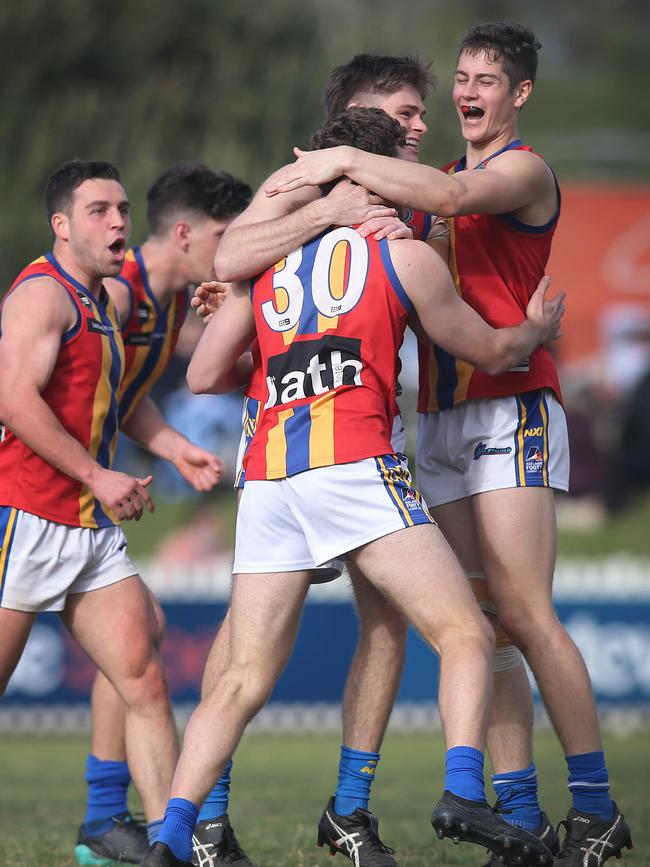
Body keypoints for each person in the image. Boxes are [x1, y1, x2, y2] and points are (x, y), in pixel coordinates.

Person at [141, 107, 564, 867]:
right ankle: (465, 788)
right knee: (466, 631)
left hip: (268, 474)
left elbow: (203, 372)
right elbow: (491, 352)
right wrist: (534, 333)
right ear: (373, 180)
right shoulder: (402, 256)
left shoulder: (266, 262)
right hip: (354, 462)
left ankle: (170, 833)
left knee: (238, 676)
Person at [265, 24, 633, 866]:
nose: (468, 92)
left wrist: (335, 161)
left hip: (510, 408)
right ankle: (517, 815)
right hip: (438, 418)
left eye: (487, 80)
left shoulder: (520, 170)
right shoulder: (434, 187)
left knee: (529, 614)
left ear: (520, 94)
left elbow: (456, 202)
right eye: (462, 77)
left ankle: (598, 810)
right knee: (489, 624)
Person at [74, 163, 253, 867]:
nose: (234, 248)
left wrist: (178, 449)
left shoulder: (173, 299)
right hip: (34, 498)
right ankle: (112, 819)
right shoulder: (118, 295)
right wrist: (100, 470)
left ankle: (106, 821)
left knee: (136, 642)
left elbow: (126, 396)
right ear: (184, 233)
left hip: (75, 498)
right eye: (224, 236)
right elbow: (56, 394)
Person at [0, 160, 180, 852]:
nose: (117, 223)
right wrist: (97, 474)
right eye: (99, 210)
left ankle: (168, 841)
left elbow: (153, 326)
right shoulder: (41, 297)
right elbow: (14, 398)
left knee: (144, 675)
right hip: (25, 517)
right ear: (61, 225)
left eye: (123, 209)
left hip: (85, 528)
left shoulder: (103, 300)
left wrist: (208, 297)